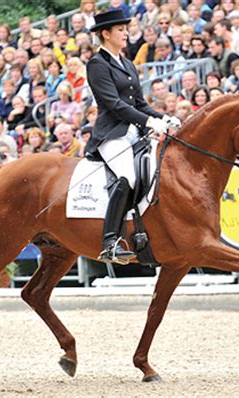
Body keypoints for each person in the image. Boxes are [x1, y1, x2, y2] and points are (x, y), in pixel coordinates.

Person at [86, 9, 180, 264]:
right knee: (127, 176)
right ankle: (109, 242)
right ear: (106, 34)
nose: (126, 33)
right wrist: (149, 121)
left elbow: (139, 102)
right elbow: (115, 104)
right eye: (120, 30)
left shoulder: (128, 64)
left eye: (126, 29)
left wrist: (162, 117)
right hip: (111, 134)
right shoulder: (97, 65)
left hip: (135, 134)